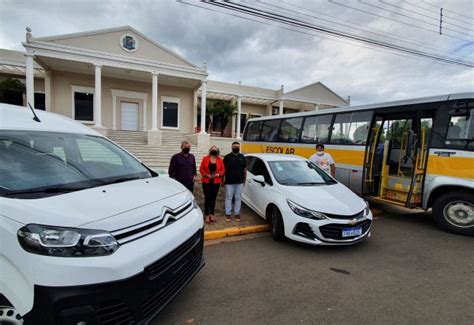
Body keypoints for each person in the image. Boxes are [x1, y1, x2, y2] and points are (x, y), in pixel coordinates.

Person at [199, 145, 225, 224]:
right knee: (207, 198)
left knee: (213, 198)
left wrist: (218, 174)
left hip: (216, 182)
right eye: (212, 149)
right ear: (210, 150)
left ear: (217, 151)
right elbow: (201, 169)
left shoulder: (220, 160)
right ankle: (207, 214)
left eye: (215, 149)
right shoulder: (205, 158)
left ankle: (212, 214)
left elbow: (223, 170)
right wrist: (206, 175)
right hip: (206, 181)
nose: (214, 150)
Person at [223, 142, 247, 222]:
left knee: (238, 198)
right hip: (229, 182)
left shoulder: (242, 157)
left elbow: (245, 169)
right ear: (231, 147)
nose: (236, 148)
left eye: (237, 146)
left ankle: (237, 214)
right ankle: (228, 214)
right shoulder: (227, 157)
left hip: (239, 182)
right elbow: (223, 170)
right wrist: (222, 180)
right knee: (229, 198)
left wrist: (245, 179)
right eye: (234, 146)